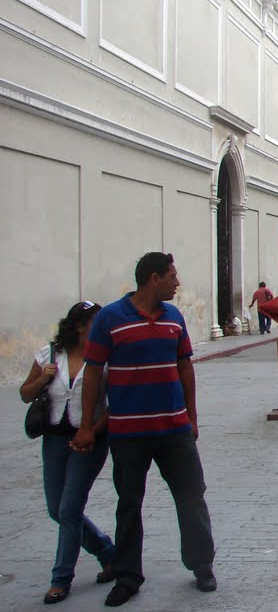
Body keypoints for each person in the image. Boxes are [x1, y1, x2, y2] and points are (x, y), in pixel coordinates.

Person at [74, 252, 217, 606]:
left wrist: (192, 418)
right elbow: (93, 372)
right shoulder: (110, 318)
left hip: (174, 430)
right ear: (154, 278)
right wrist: (87, 426)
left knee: (191, 497)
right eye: (172, 276)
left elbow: (184, 367)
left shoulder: (173, 318)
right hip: (129, 434)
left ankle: (202, 565)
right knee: (129, 504)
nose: (177, 282)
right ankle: (127, 576)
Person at [20, 300, 115, 605]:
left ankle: (61, 579)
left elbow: (114, 404)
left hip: (90, 441)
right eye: (95, 322)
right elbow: (25, 394)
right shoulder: (50, 354)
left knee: (69, 510)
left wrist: (92, 431)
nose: (102, 327)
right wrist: (42, 379)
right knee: (55, 509)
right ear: (78, 325)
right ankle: (107, 551)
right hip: (54, 440)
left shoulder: (105, 355)